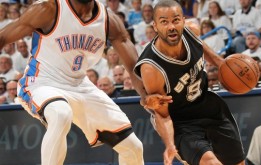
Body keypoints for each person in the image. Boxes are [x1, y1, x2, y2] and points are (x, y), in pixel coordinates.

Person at [0, 0, 147, 164]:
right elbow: (3, 36)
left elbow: (134, 66)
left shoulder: (108, 20)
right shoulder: (48, 9)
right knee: (60, 113)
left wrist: (148, 97)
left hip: (80, 85)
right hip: (42, 81)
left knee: (133, 147)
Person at [134, 1, 245, 165]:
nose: (171, 26)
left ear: (183, 21)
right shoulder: (151, 68)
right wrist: (170, 144)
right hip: (181, 122)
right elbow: (163, 115)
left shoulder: (191, 32)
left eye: (176, 20)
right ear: (155, 26)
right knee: (211, 163)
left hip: (209, 107)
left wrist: (225, 66)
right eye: (164, 22)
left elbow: (210, 55)